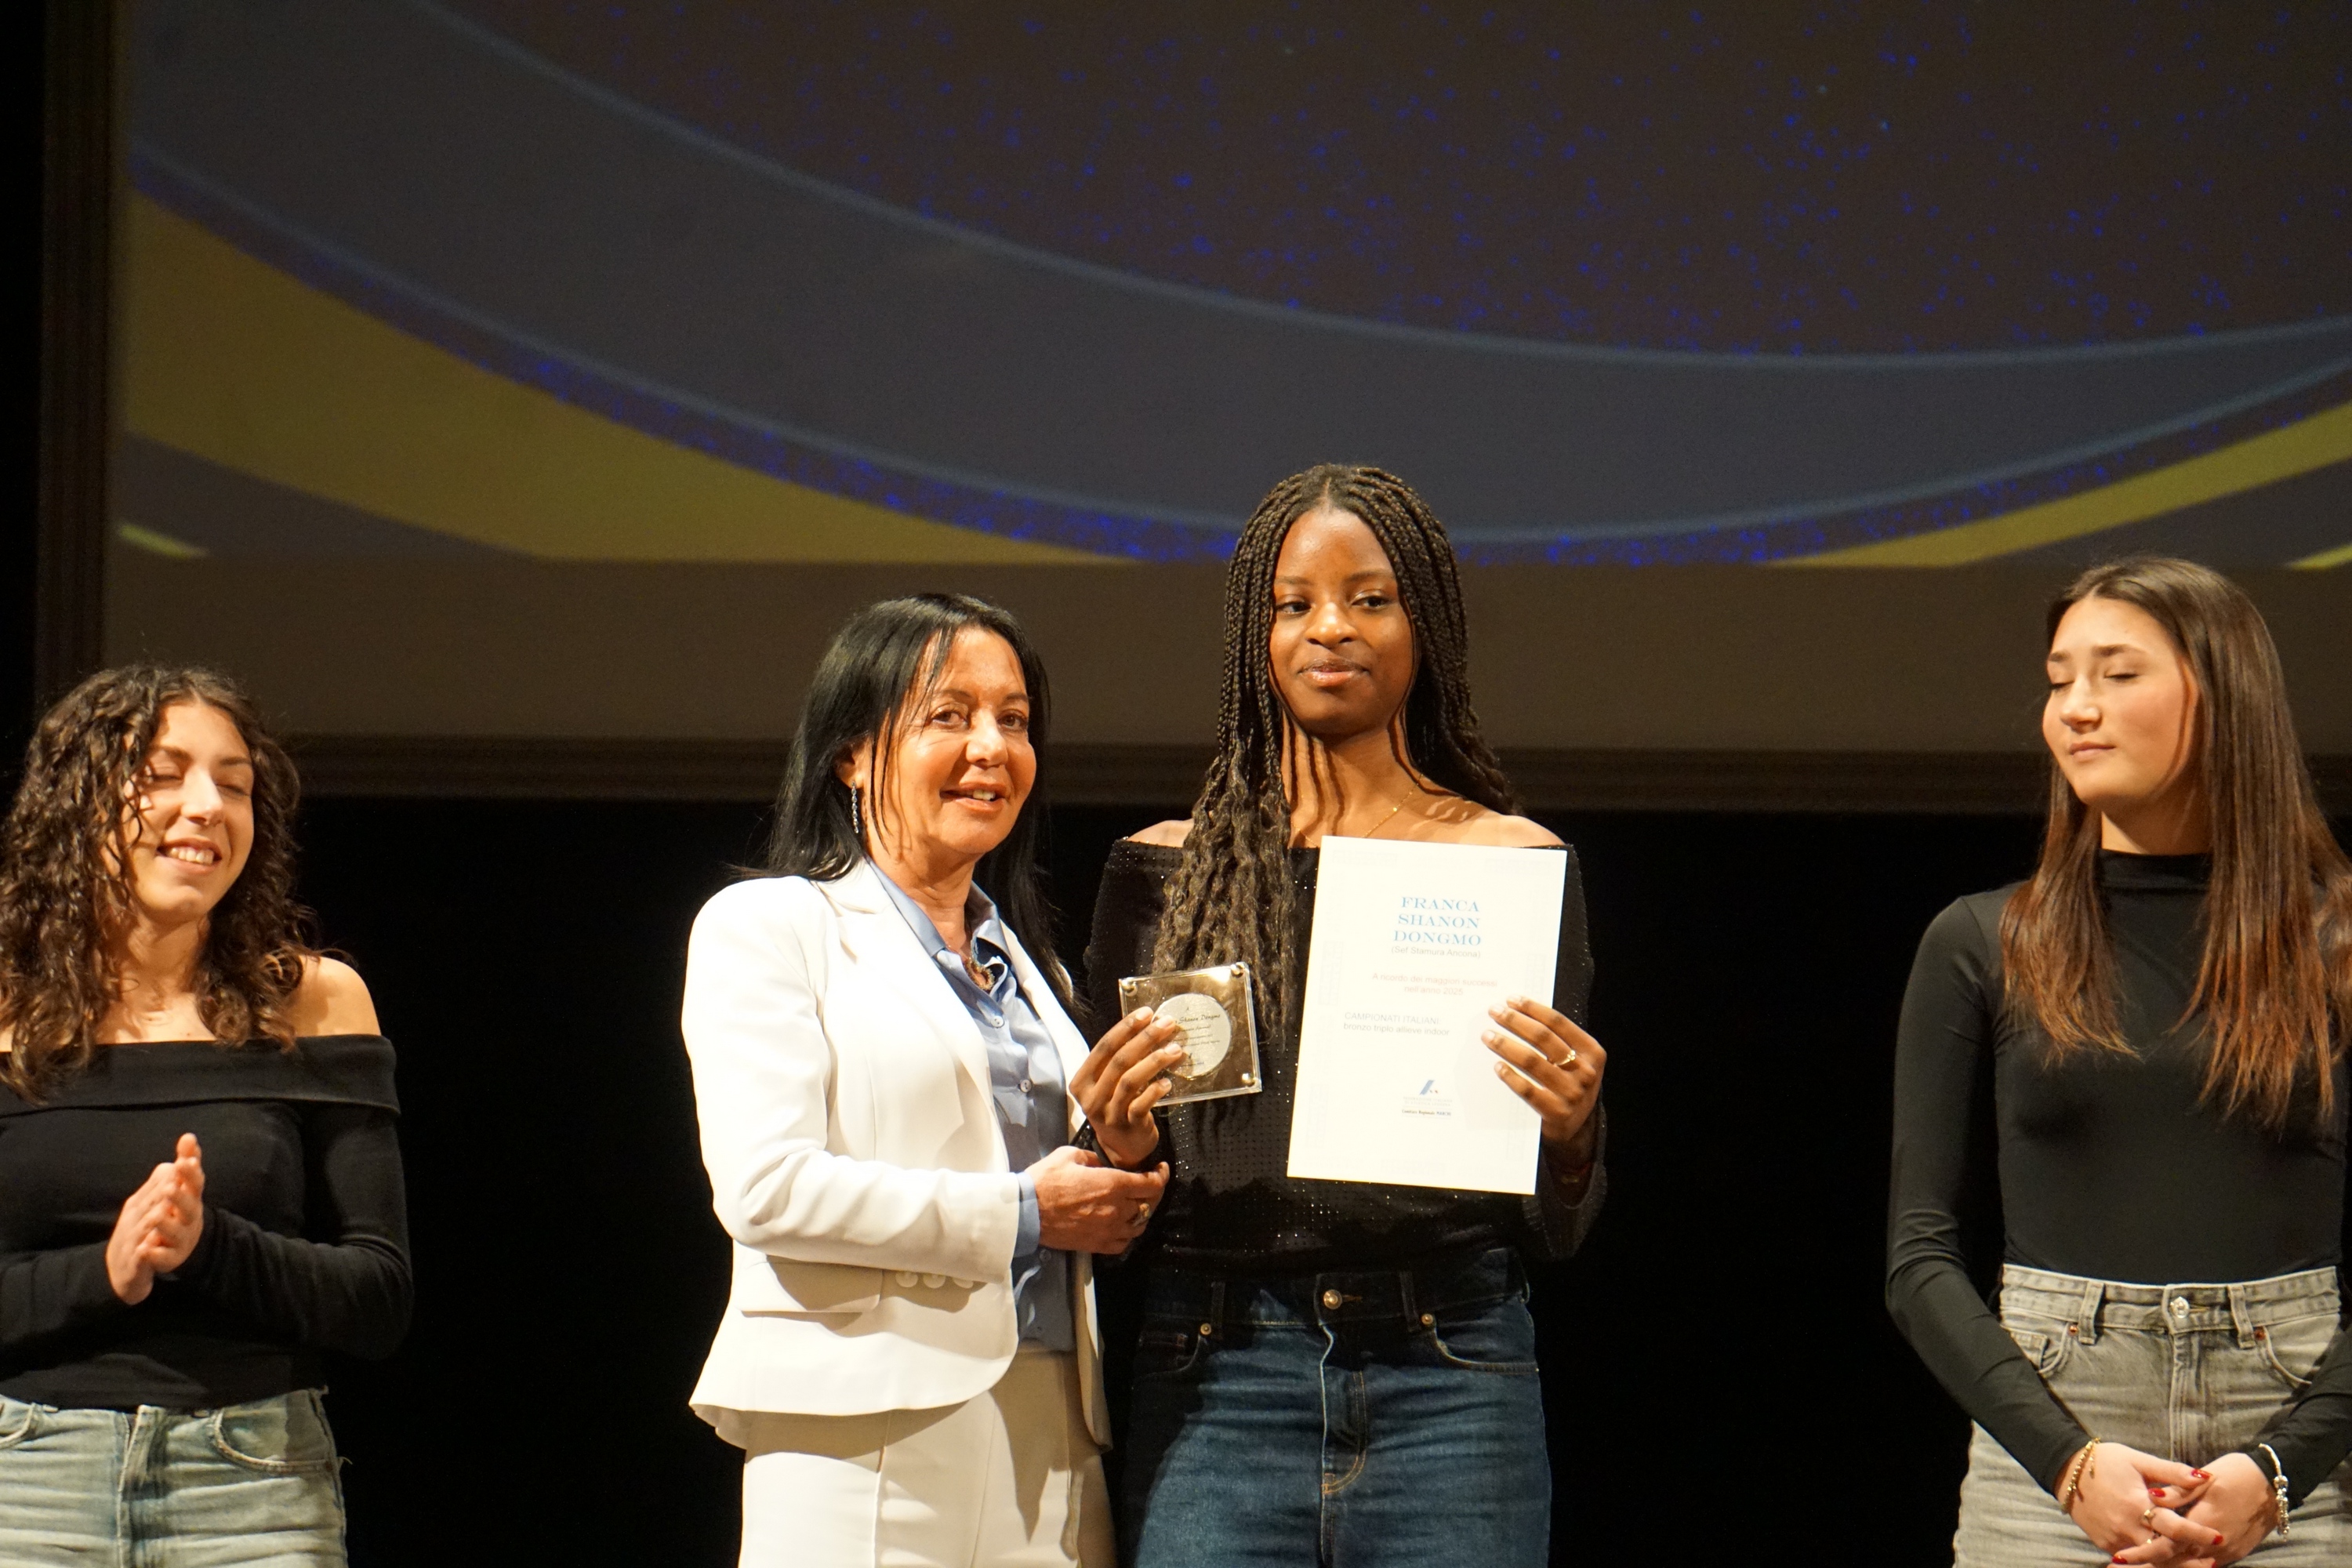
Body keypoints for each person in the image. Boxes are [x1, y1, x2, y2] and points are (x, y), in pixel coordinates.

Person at [1082, 464, 1609, 1568]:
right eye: (1295, 604)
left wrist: (1570, 1136)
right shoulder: (1166, 872)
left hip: (1451, 1374)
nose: (1331, 627)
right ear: (1257, 635)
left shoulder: (1511, 867)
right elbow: (1116, 1187)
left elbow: (1553, 1219)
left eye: (1371, 598)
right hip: (1218, 1373)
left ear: (1426, 626)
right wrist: (1117, 1142)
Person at [681, 593, 1180, 1567]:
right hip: (860, 1434)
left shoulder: (1033, 969)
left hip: (1051, 1427)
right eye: (949, 715)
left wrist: (1118, 1163)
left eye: (1013, 719)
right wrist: (1027, 1210)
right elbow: (766, 1187)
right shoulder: (772, 926)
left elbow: (1055, 1190)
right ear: (852, 753)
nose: (990, 746)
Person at [1887, 557, 2352, 1566]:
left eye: (2118, 673)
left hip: (2296, 1460)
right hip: (2052, 1462)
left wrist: (2281, 1468)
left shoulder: (2337, 943)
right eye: (2060, 680)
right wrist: (2067, 1462)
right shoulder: (1983, 942)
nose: (2077, 708)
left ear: (2222, 693)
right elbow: (1918, 1259)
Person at [0, 666, 409, 1566]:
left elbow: (377, 1298)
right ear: (74, 801)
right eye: (162, 774)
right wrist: (105, 1269)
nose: (206, 806)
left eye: (234, 784)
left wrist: (208, 1244)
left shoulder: (314, 1001)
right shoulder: (6, 1007)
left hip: (253, 1484)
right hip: (26, 1477)